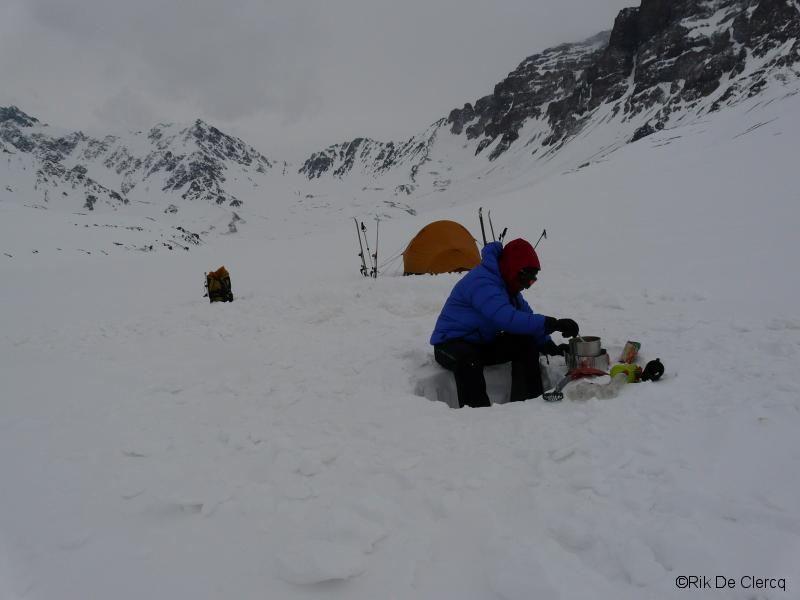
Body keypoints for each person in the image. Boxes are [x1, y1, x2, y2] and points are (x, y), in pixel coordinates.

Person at [430, 238, 580, 408]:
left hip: (479, 344)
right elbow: (507, 318)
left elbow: (526, 318)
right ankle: (478, 417)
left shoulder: (508, 286)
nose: (527, 286)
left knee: (525, 343)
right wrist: (553, 324)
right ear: (514, 270)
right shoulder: (482, 282)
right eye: (527, 280)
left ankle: (530, 405)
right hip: (449, 345)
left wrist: (549, 346)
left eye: (532, 281)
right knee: (468, 361)